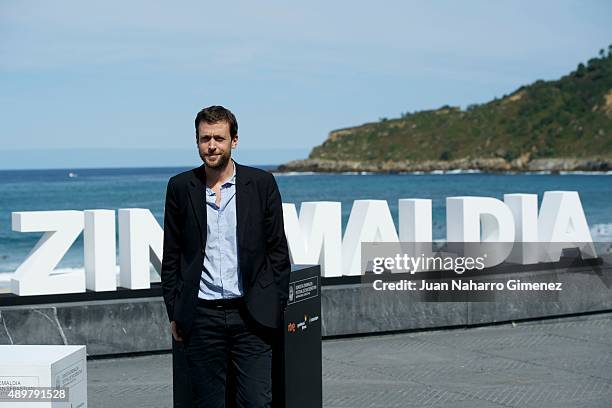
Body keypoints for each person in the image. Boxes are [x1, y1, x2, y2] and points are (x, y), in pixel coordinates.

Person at [160, 105, 291, 408]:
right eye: (205, 139)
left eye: (219, 138)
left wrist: (275, 304)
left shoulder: (261, 184)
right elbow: (172, 255)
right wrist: (175, 310)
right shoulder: (180, 187)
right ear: (197, 141)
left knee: (257, 402)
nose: (211, 146)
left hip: (251, 315)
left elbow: (277, 251)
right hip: (202, 316)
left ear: (234, 140)